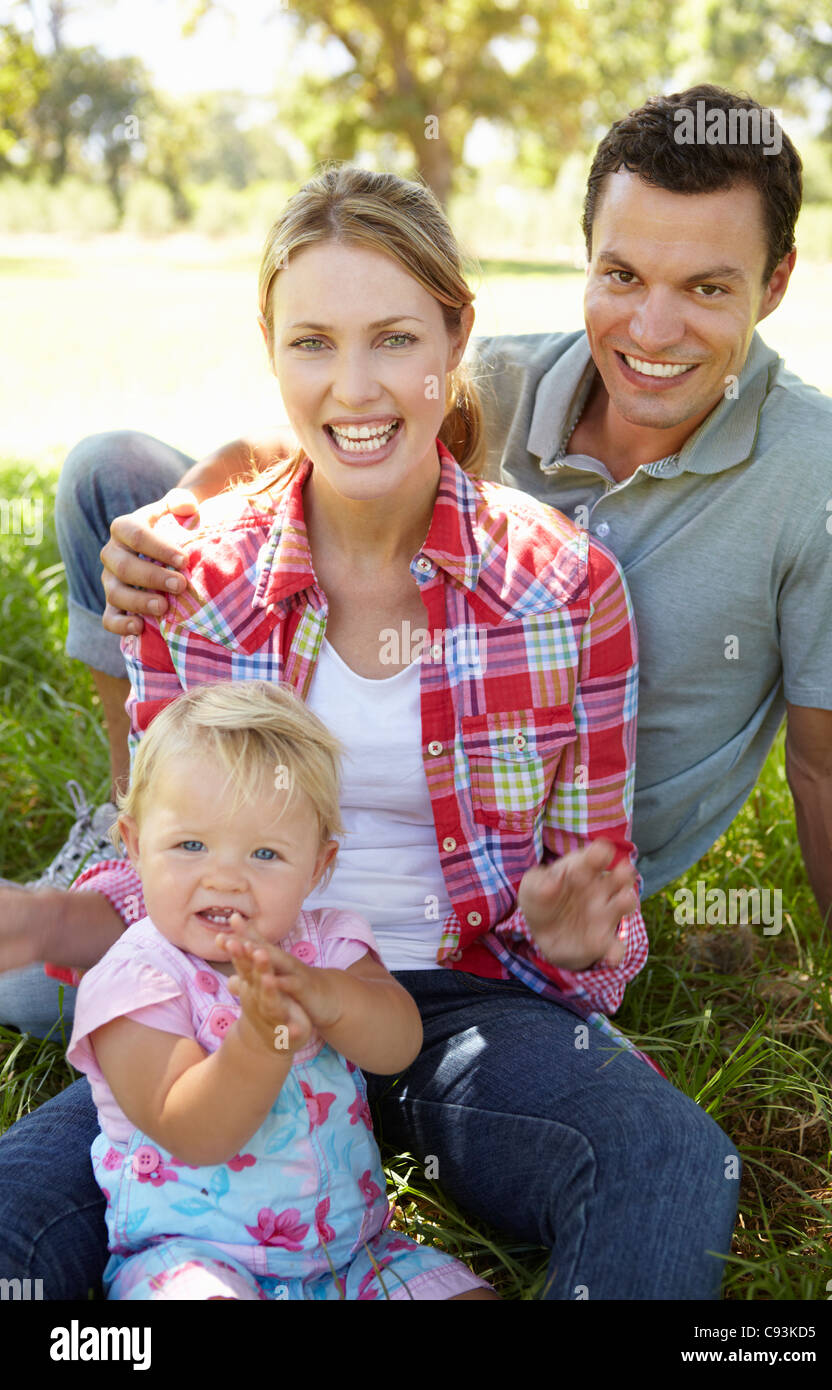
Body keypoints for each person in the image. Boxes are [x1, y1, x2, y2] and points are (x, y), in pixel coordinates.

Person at [0, 162, 738, 1302]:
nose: (354, 388)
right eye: (313, 344)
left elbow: (605, 932)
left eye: (394, 338)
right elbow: (167, 874)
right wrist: (58, 918)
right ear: (272, 349)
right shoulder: (191, 577)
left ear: (454, 337)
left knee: (666, 1158)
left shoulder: (562, 587)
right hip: (227, 995)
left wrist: (577, 933)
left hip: (461, 1008)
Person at [69, 679, 494, 1300]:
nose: (226, 878)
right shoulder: (135, 981)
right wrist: (263, 1035)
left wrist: (331, 997)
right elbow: (196, 1130)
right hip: (196, 1259)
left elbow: (399, 1045)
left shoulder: (325, 947)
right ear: (134, 845)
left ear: (318, 866)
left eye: (265, 853)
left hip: (355, 1256)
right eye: (191, 845)